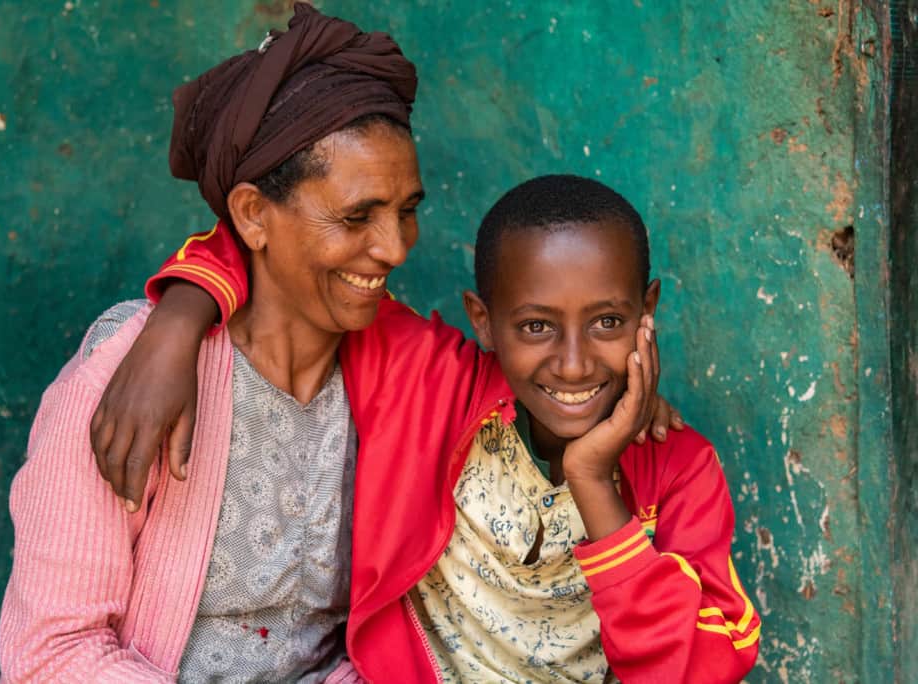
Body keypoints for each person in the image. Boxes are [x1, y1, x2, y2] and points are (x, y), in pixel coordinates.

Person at [91, 176, 759, 682]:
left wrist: (593, 480)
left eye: (608, 322)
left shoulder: (680, 469)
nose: (576, 361)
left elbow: (705, 666)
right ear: (484, 320)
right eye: (536, 326)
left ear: (648, 311)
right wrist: (179, 318)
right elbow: (286, 258)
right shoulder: (430, 384)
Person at [0, 5, 425, 681]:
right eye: (357, 216)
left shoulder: (397, 376)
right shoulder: (132, 370)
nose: (394, 248)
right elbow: (53, 652)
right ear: (254, 215)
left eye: (408, 211)